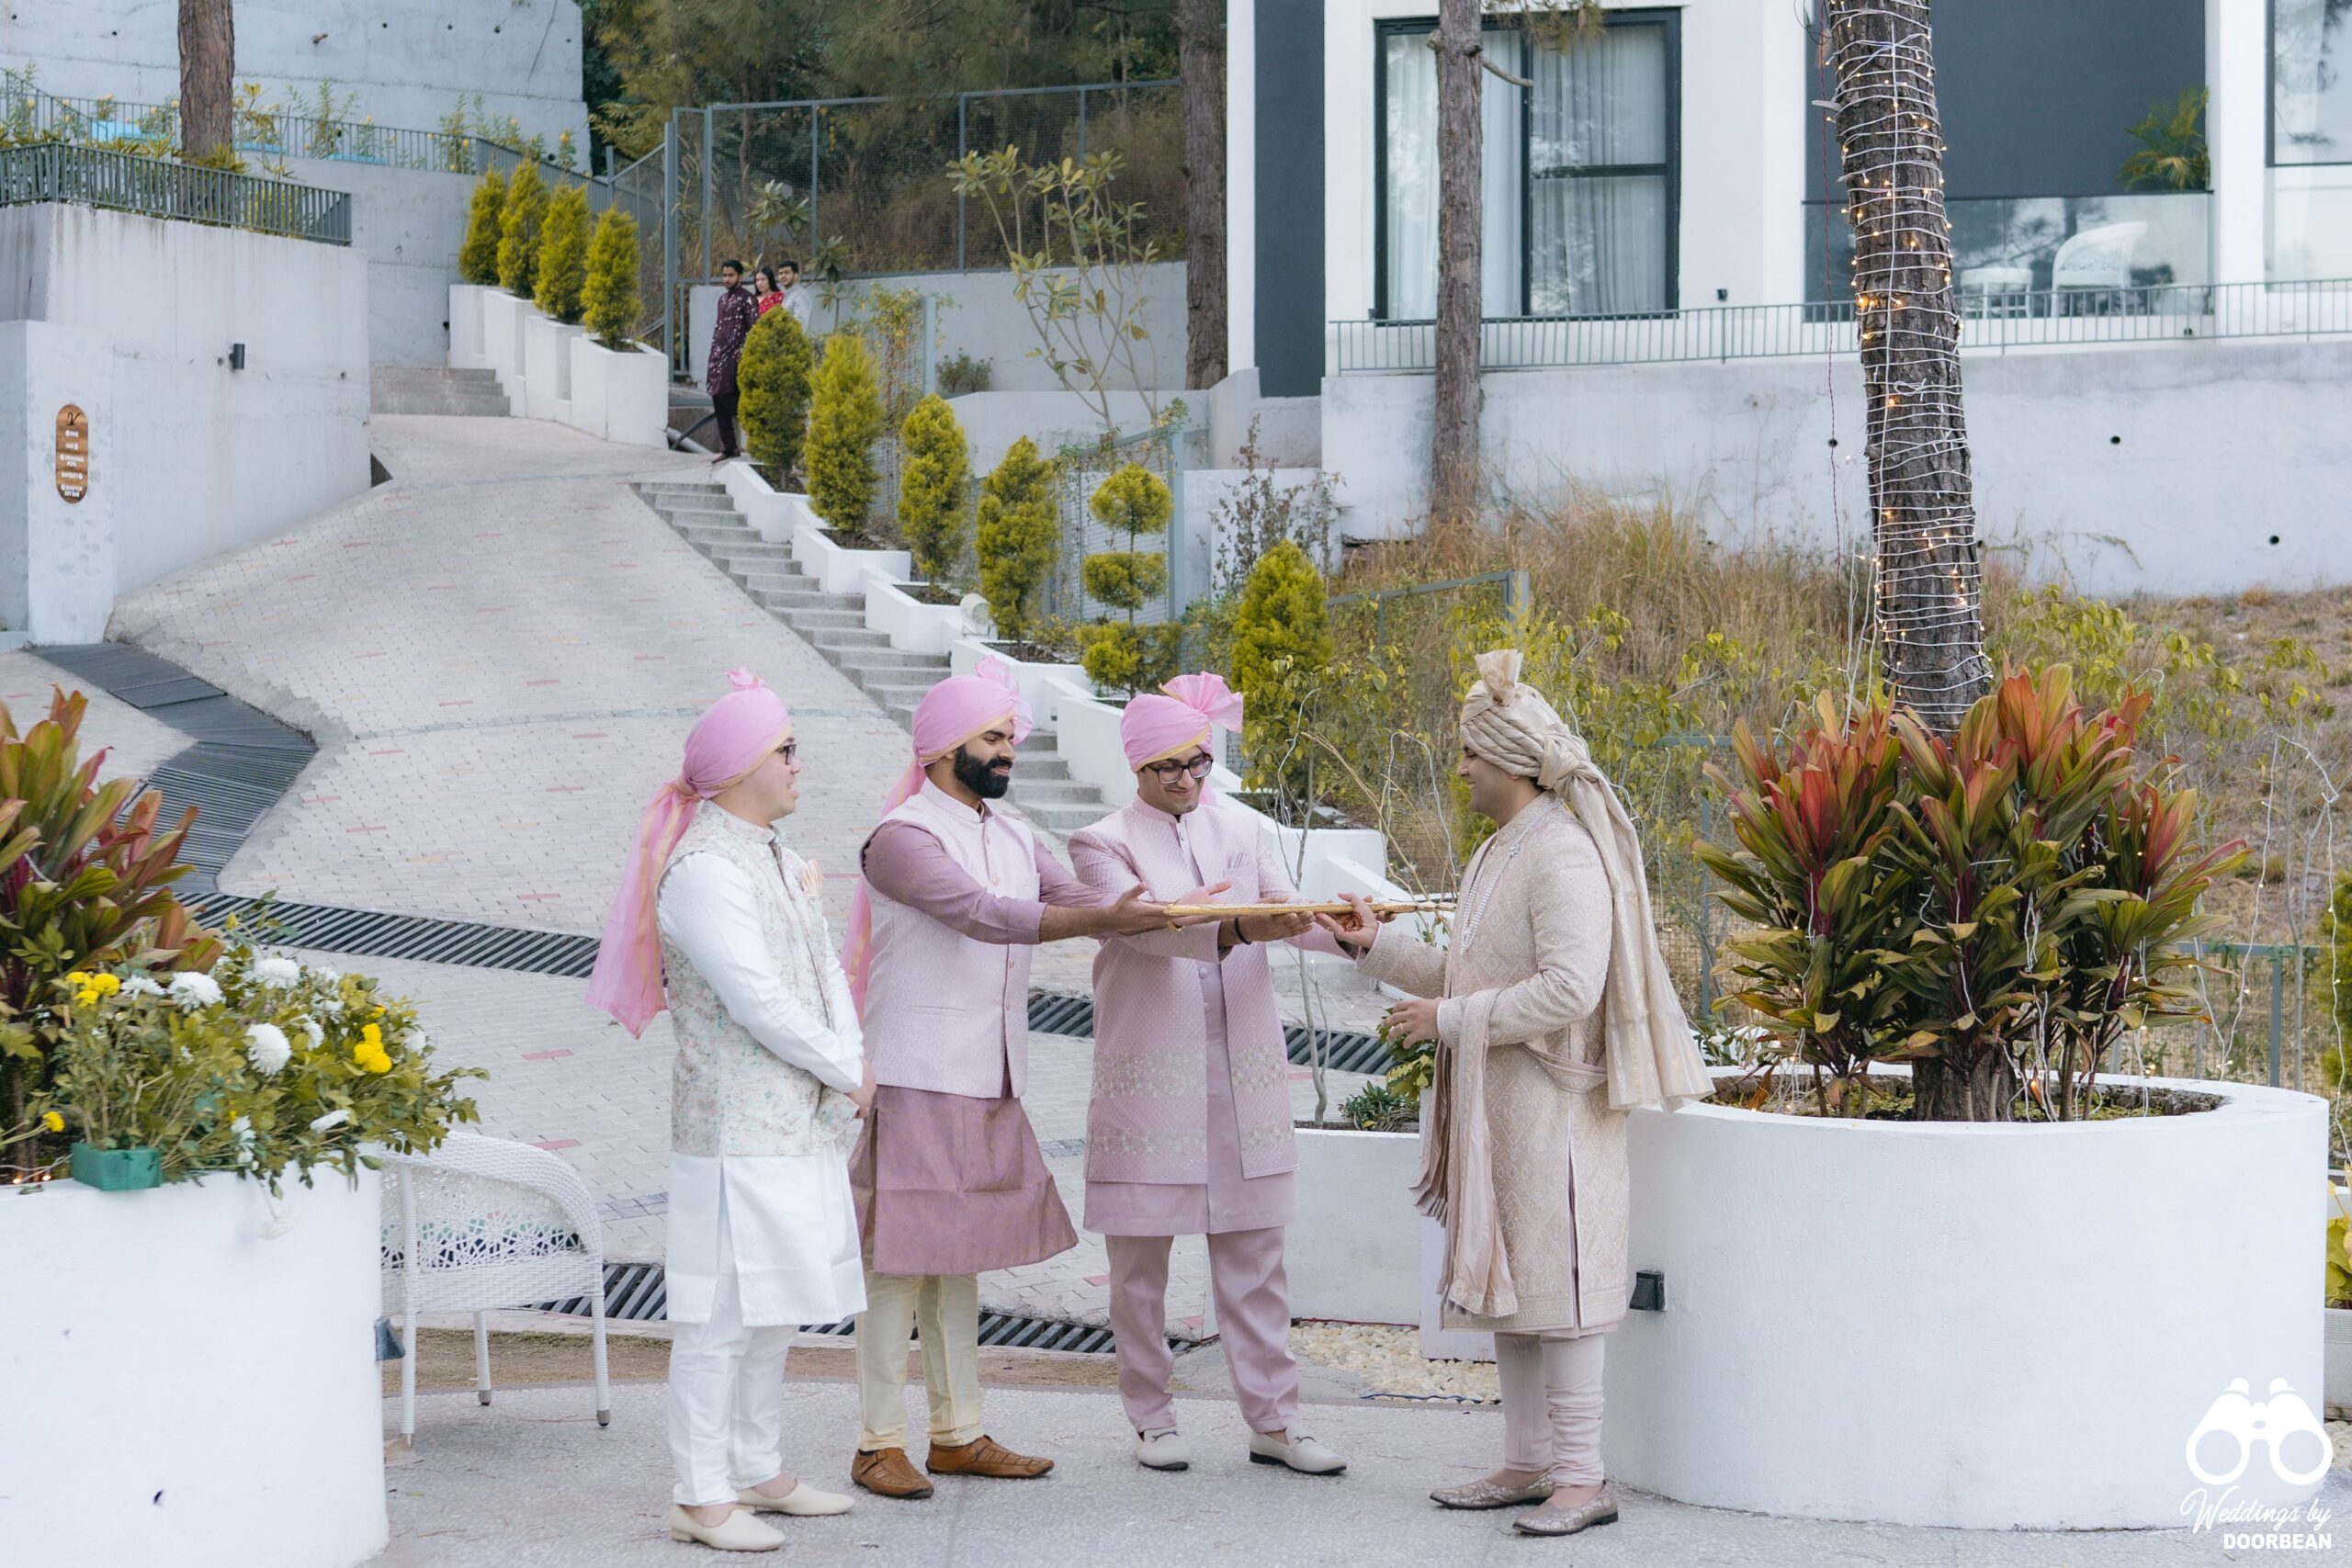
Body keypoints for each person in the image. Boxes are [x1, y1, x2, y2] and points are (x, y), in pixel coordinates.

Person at [1316, 649, 1711, 1540]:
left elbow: (1571, 988)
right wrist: (1373, 947)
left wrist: (1451, 1020)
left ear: (1509, 761)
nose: (1460, 768)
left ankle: (1582, 1477)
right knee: (1514, 1287)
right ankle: (1527, 1461)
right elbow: (1470, 970)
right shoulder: (1502, 849)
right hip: (1502, 1106)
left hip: (1555, 1110)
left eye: (1470, 753)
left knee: (1562, 1297)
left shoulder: (1562, 855)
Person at [841, 658, 1220, 1500]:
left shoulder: (1012, 834)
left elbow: (1082, 896)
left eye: (1010, 736)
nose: (1008, 750)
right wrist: (1108, 915)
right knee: (898, 1264)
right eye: (992, 737)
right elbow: (982, 914)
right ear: (942, 748)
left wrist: (1176, 909)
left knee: (958, 1261)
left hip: (991, 1073)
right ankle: (877, 1442)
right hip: (917, 1073)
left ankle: (958, 1433)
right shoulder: (901, 837)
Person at [587, 669, 875, 1553]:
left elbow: (826, 971)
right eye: (785, 748)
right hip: (731, 1130)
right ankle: (699, 1493)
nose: (797, 763)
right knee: (718, 1315)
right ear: (744, 762)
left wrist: (852, 1059)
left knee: (774, 1305)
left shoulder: (778, 855)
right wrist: (848, 1068)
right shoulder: (704, 870)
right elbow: (757, 999)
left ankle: (757, 1467)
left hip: (797, 1120)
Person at [1067, 672, 1349, 1478]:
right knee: (1139, 1267)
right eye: (1169, 767)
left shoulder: (1243, 828)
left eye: (1199, 762)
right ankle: (1151, 1419)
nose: (1187, 779)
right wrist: (1234, 925)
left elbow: (1284, 910)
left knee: (1257, 1259)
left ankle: (1276, 1422)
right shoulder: (1100, 843)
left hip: (1240, 1070)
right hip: (1153, 1077)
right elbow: (1146, 932)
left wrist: (1344, 929)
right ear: (1137, 766)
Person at [706, 259, 757, 463]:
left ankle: (755, 427)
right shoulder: (723, 300)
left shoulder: (748, 299)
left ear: (740, 276)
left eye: (731, 275)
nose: (727, 279)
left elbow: (754, 329)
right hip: (717, 356)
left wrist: (743, 355)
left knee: (727, 395)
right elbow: (719, 328)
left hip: (735, 356)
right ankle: (729, 447)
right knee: (716, 397)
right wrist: (714, 354)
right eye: (724, 275)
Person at [773, 259, 815, 332]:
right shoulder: (786, 294)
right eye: (781, 273)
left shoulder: (800, 295)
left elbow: (800, 325)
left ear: (795, 276)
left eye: (787, 273)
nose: (783, 276)